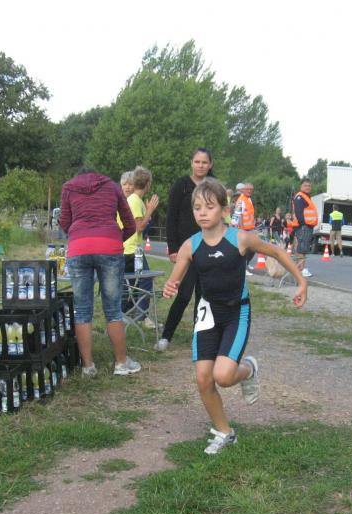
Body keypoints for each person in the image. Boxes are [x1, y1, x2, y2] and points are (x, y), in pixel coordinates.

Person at [163, 178, 307, 455]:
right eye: (197, 208)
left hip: (235, 312)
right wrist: (171, 285)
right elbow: (176, 278)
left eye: (209, 207)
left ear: (224, 210)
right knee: (204, 379)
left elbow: (276, 251)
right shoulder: (190, 246)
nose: (202, 213)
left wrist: (301, 282)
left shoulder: (240, 239)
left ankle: (249, 369)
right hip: (207, 314)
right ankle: (225, 432)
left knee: (224, 376)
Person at [59, 168, 141, 376]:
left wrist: (79, 236)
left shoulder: (68, 188)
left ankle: (88, 367)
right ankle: (121, 363)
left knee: (82, 310)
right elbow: (130, 224)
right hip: (109, 247)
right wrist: (114, 239)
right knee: (113, 309)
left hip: (79, 248)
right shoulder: (112, 187)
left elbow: (65, 223)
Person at [158, 147, 215, 352]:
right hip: (186, 249)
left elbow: (220, 215)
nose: (201, 165)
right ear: (191, 163)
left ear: (210, 164)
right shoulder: (181, 185)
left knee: (204, 296)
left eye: (204, 162)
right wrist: (173, 248)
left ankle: (199, 337)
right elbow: (171, 217)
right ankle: (166, 336)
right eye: (197, 161)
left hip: (209, 247)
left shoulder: (213, 186)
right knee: (183, 294)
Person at [119, 166, 160, 325]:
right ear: (147, 184)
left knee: (129, 283)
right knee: (146, 279)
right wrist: (150, 211)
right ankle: (141, 315)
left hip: (128, 248)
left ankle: (125, 313)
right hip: (131, 249)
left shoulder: (135, 200)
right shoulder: (135, 201)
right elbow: (138, 228)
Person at [292, 178, 318, 277]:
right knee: (301, 249)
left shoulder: (306, 197)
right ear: (301, 186)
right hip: (303, 227)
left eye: (309, 186)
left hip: (306, 226)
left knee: (303, 249)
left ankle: (300, 269)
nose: (308, 187)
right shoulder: (300, 197)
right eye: (305, 185)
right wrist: (303, 224)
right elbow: (299, 212)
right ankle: (301, 270)